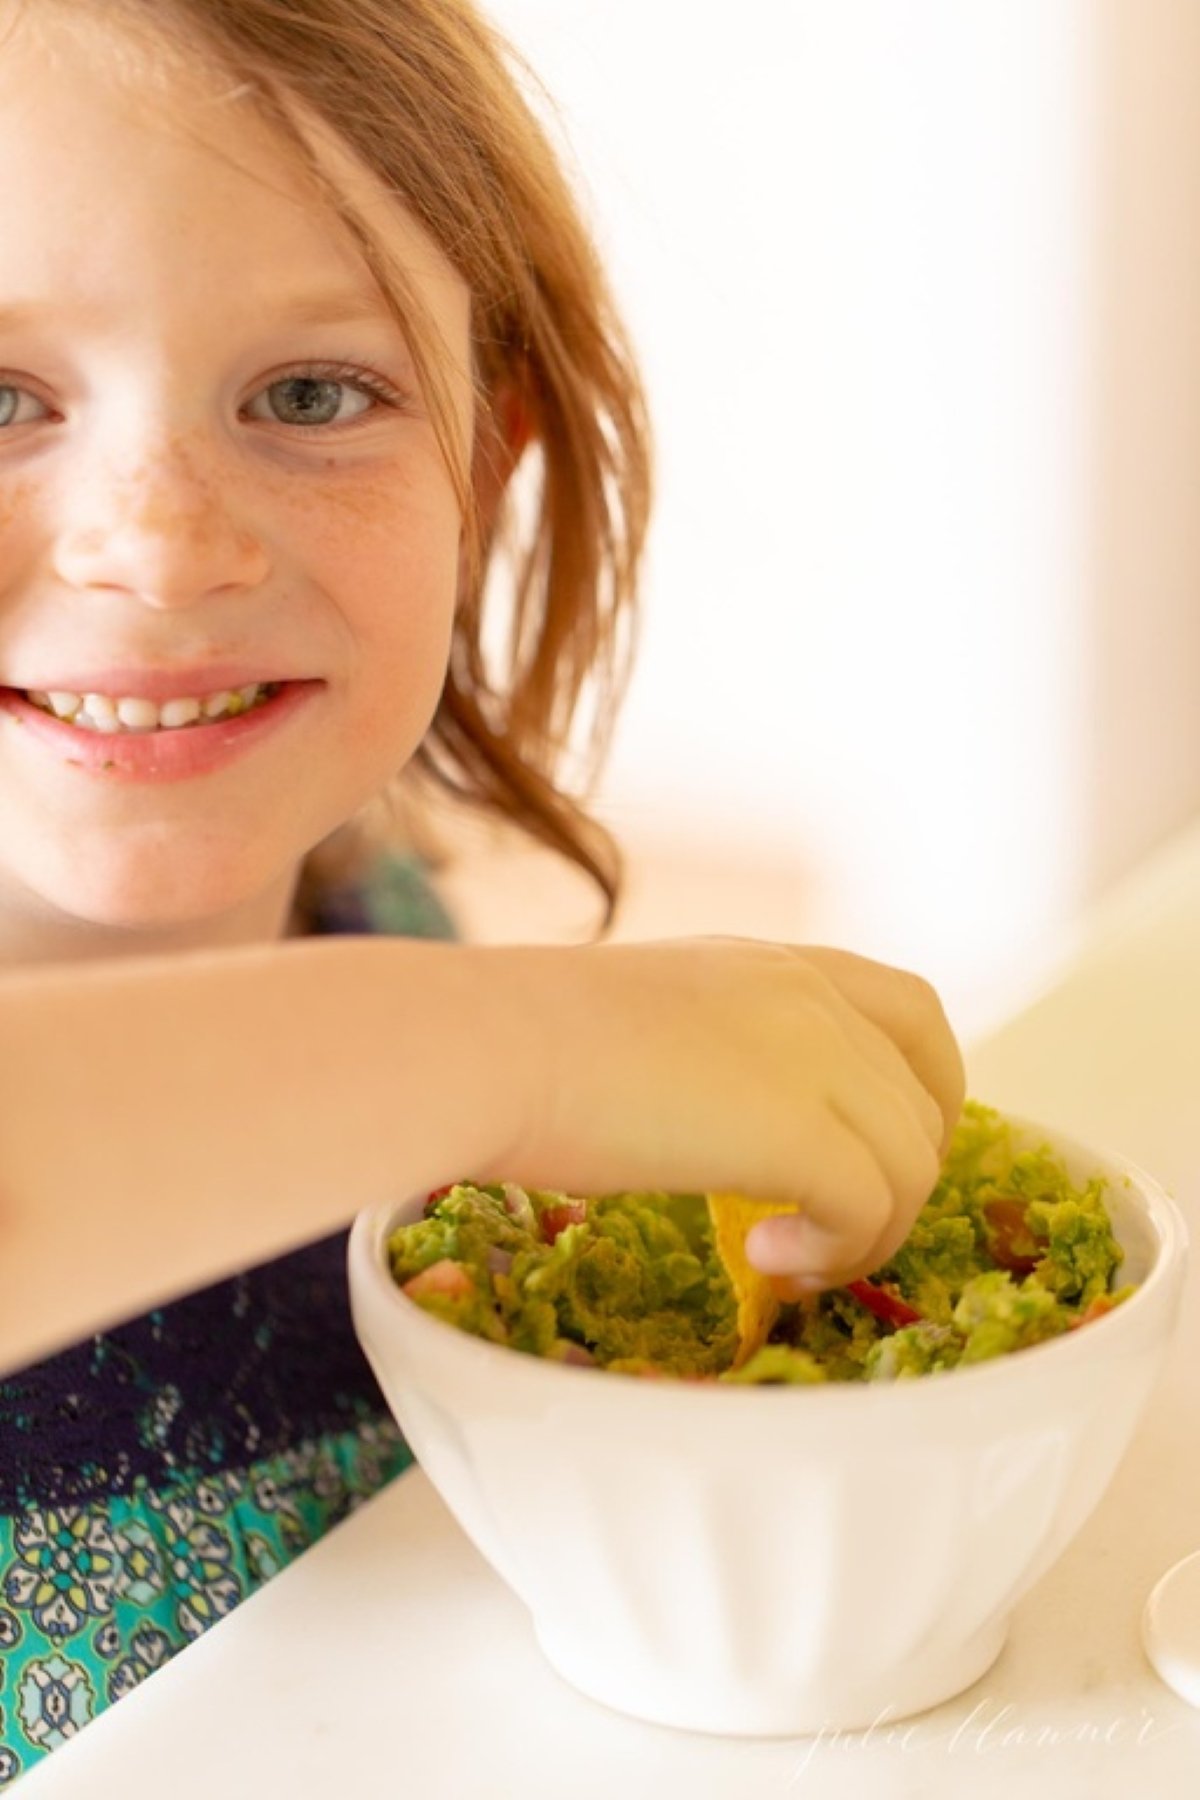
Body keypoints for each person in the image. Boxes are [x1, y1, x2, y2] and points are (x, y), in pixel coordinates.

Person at [0, 0, 965, 1776]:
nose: (161, 538)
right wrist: (526, 1049)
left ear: (487, 466)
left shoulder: (373, 884)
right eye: (0, 397)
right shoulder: (458, 1026)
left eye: (311, 393)